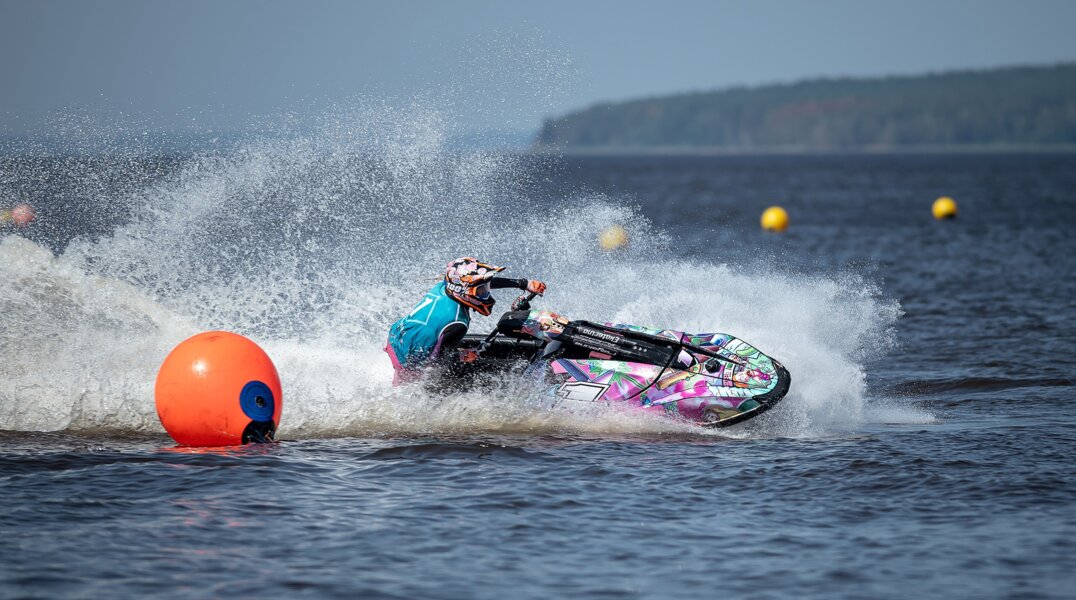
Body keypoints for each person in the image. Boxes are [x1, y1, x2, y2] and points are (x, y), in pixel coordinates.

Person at [385, 257, 546, 384]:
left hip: (397, 336)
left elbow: (480, 283)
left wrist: (522, 284)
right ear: (464, 291)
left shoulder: (444, 286)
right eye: (482, 291)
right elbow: (438, 360)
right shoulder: (457, 324)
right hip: (410, 365)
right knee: (474, 367)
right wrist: (461, 355)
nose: (487, 293)